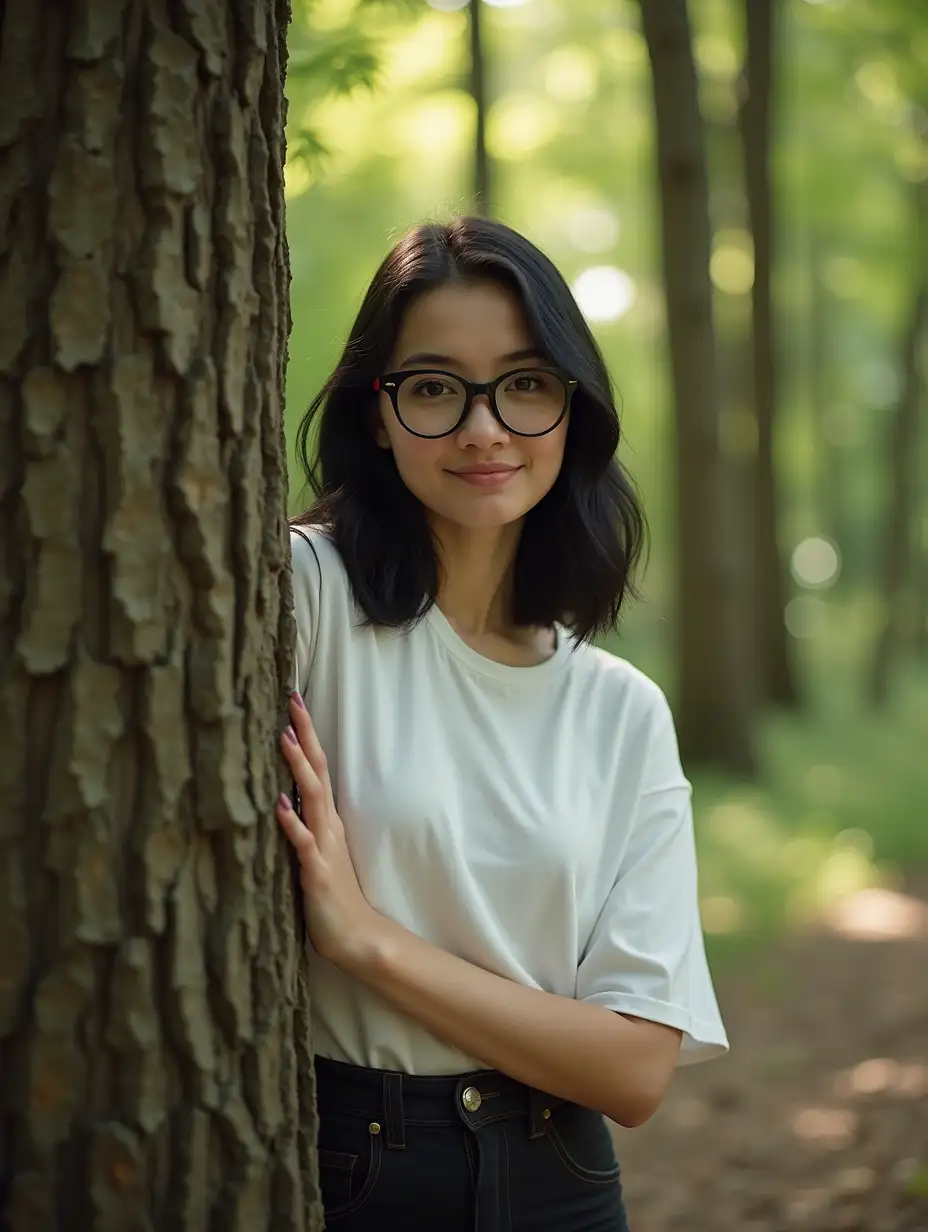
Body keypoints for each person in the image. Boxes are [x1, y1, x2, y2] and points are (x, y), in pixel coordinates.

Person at [276, 216, 728, 1230]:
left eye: (523, 383)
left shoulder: (618, 709)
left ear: (572, 409)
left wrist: (369, 942)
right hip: (345, 1164)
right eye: (435, 387)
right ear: (378, 414)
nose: (484, 428)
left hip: (562, 1180)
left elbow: (636, 1066)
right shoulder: (299, 599)